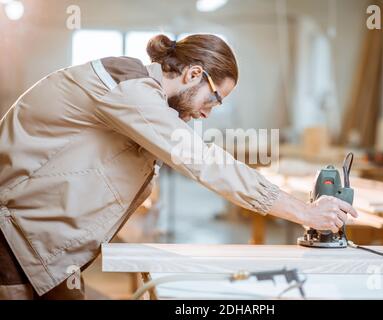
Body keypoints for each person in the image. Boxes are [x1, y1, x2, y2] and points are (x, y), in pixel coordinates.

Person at [0, 34, 357, 299]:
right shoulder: (128, 88)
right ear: (193, 74)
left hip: (40, 244)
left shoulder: (141, 95)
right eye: (214, 99)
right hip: (15, 239)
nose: (208, 111)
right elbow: (201, 161)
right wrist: (305, 213)